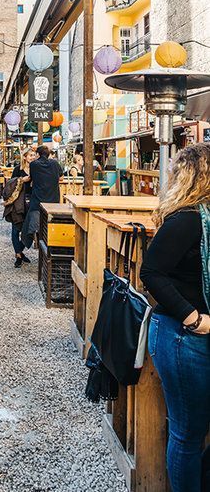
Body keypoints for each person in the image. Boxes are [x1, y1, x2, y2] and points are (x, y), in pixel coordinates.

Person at [140, 143, 210, 492]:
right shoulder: (187, 220)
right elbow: (150, 272)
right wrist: (194, 318)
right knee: (187, 432)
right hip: (184, 339)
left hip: (192, 339)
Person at [21, 145, 63, 246]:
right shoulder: (55, 163)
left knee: (36, 224)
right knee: (50, 225)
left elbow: (31, 177)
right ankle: (49, 243)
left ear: (38, 154)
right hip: (53, 199)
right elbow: (61, 178)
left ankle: (36, 240)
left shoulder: (34, 165)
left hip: (37, 199)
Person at [10, 147, 37, 268]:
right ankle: (18, 256)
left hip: (31, 201)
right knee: (16, 228)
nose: (32, 157)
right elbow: (10, 184)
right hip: (19, 201)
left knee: (29, 230)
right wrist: (22, 180)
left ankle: (19, 251)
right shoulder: (18, 169)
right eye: (30, 155)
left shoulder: (36, 169)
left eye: (33, 155)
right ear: (25, 157)